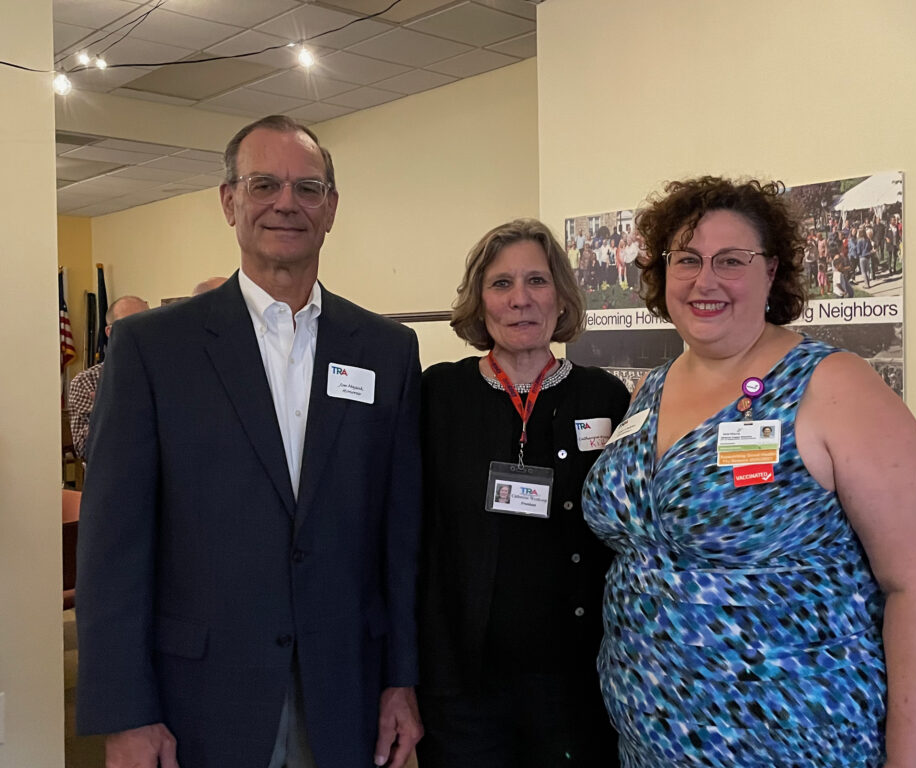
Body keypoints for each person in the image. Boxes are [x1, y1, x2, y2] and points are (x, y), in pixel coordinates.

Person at [75, 115, 423, 768]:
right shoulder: (153, 349)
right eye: (264, 184)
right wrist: (125, 713)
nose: (287, 203)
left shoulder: (386, 351)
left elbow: (398, 538)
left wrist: (401, 680)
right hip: (201, 696)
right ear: (229, 200)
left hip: (346, 686)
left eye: (308, 188)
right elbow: (112, 549)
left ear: (332, 208)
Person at [582, 177, 916, 767]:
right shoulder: (653, 388)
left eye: (731, 260)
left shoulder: (834, 386)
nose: (706, 281)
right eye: (688, 260)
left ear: (771, 270)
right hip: (649, 733)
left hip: (793, 735)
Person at [417, 219, 630, 768]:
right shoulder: (438, 394)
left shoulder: (603, 396)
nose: (520, 300)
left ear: (560, 297)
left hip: (575, 677)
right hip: (466, 683)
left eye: (536, 281)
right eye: (501, 284)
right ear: (479, 300)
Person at [66, 294, 149, 457]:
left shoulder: (165, 375)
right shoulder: (86, 382)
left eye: (147, 323)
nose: (141, 331)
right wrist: (107, 412)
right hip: (116, 474)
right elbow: (84, 449)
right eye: (131, 324)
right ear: (110, 331)